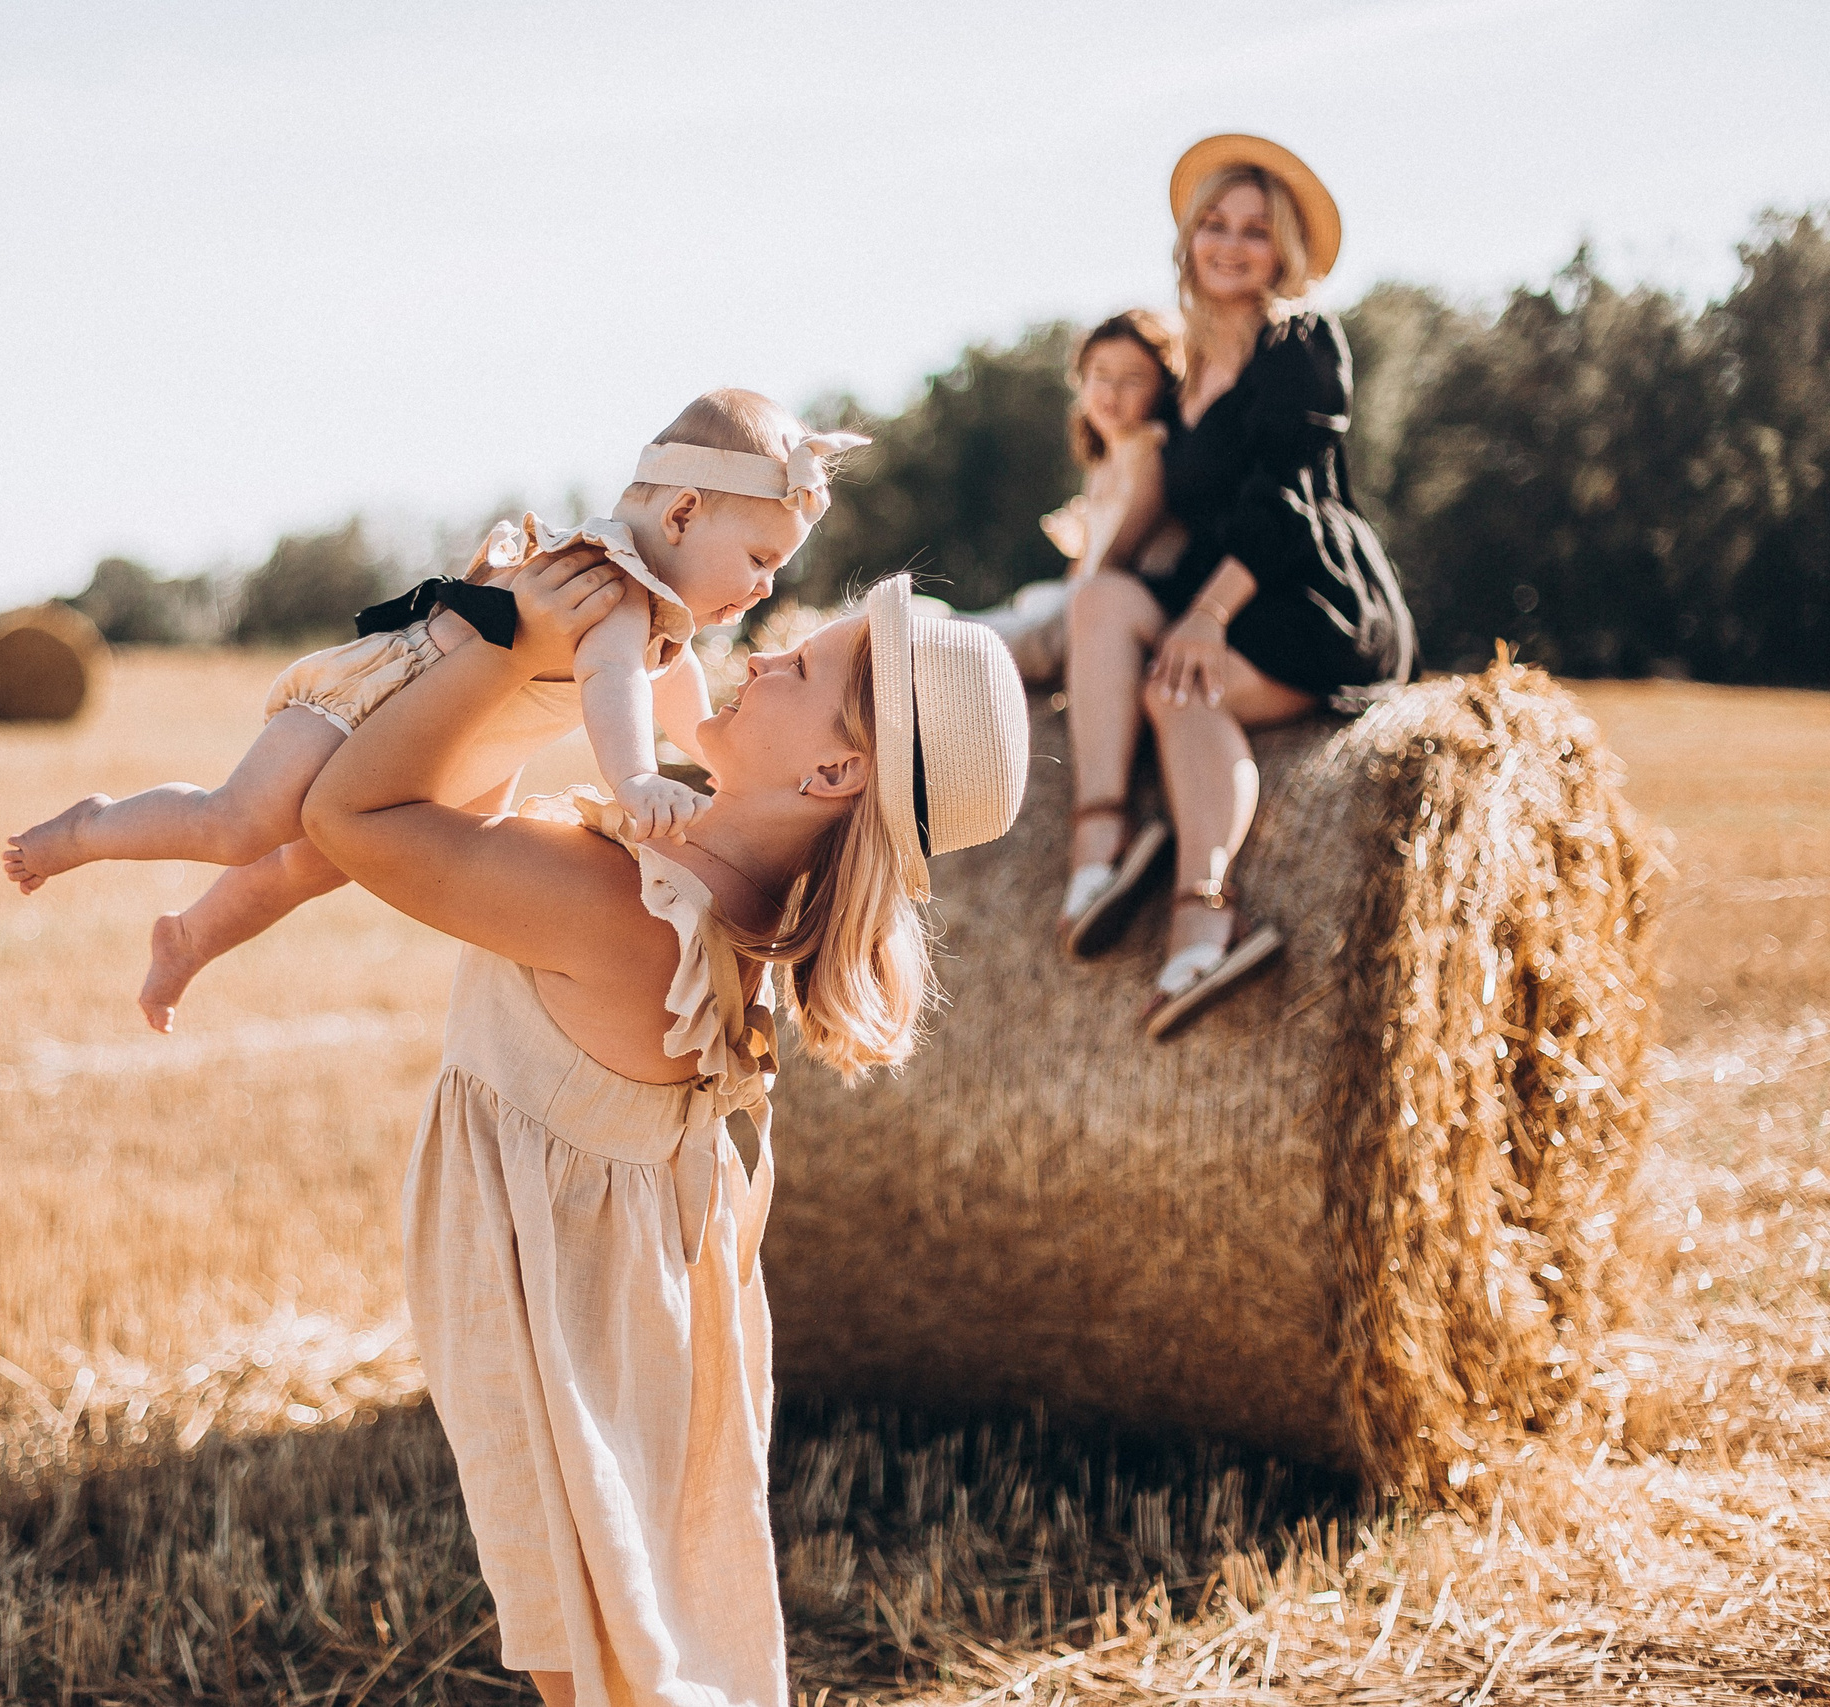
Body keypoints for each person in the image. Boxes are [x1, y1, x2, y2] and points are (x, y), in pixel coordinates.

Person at [302, 554, 1026, 1706]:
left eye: (800, 664)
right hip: (624, 1310)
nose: (765, 651)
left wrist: (504, 636)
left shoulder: (619, 905)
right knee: (631, 1627)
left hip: (560, 1313)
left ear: (837, 767)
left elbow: (348, 811)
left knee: (591, 1636)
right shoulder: (721, 896)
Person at [0, 390, 865, 1030]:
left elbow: (665, 689)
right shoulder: (609, 586)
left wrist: (719, 767)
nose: (767, 587)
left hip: (464, 747)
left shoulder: (658, 624)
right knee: (239, 822)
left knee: (314, 863)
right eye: (760, 557)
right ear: (681, 513)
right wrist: (636, 776)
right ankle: (90, 827)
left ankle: (189, 940)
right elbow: (612, 683)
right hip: (381, 697)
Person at [1060, 134, 1415, 1038]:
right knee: (1098, 603)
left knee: (1181, 685)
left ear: (1282, 251)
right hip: (1207, 592)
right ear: (1188, 240)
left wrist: (1209, 617)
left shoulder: (1301, 342)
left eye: (1255, 231)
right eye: (1214, 223)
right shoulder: (1180, 371)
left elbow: (1284, 500)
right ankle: (1097, 839)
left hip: (1305, 597)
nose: (1230, 243)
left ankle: (1208, 912)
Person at [971, 309, 1187, 685]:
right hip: (1083, 597)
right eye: (1100, 375)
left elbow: (1115, 560)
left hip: (1113, 612)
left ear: (1162, 388)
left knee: (975, 641)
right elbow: (1085, 569)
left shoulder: (1152, 451)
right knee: (1015, 606)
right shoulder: (1104, 462)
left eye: (1133, 380)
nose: (1111, 393)